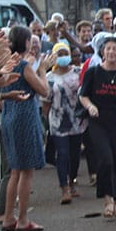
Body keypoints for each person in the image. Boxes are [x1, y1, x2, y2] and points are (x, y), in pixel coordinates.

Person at [0, 25, 50, 231]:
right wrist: (43, 70)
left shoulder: (5, 63)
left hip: (9, 114)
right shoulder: (23, 65)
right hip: (25, 116)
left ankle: (9, 216)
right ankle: (22, 218)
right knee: (26, 171)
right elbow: (43, 90)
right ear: (26, 42)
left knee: (15, 170)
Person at [79, 36, 116, 218]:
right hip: (98, 121)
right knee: (106, 159)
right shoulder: (92, 72)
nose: (111, 52)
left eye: (115, 49)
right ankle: (107, 199)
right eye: (108, 49)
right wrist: (90, 106)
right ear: (102, 52)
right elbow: (83, 95)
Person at [43, 41, 87, 204]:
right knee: (62, 154)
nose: (63, 58)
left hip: (77, 120)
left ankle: (72, 181)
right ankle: (64, 188)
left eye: (65, 54)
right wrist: (47, 125)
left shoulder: (78, 72)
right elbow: (45, 103)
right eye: (59, 55)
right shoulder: (49, 78)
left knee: (75, 155)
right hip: (57, 122)